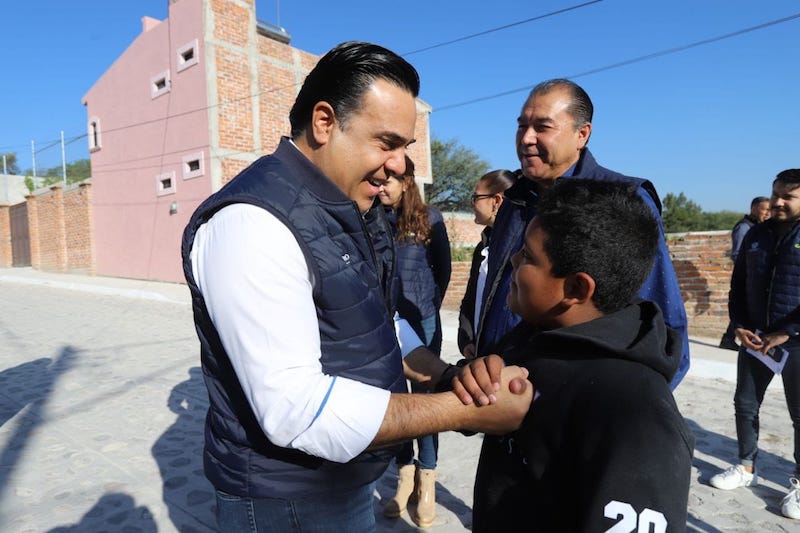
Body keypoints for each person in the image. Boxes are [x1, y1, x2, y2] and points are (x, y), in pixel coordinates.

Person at [180, 41, 532, 532]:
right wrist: (460, 412)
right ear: (324, 122)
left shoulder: (345, 208)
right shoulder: (252, 223)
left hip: (342, 479)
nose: (399, 165)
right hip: (287, 501)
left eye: (405, 148)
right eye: (386, 143)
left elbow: (377, 319)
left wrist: (448, 375)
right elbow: (294, 411)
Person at [449, 179, 694, 532]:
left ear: (576, 288)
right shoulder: (529, 339)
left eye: (529, 256)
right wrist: (475, 377)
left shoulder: (635, 413)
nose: (515, 260)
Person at [475, 78, 691, 390]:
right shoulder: (515, 200)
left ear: (582, 134)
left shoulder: (621, 201)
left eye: (543, 127)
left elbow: (662, 322)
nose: (526, 138)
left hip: (578, 397)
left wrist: (626, 407)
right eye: (522, 126)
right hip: (506, 391)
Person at [709, 169, 800, 520]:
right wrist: (740, 326)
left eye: (787, 197)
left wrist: (789, 332)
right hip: (756, 338)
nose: (777, 202)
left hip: (795, 343)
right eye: (775, 194)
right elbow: (738, 285)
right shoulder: (756, 235)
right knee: (745, 404)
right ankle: (745, 467)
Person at [378, 155, 451, 526]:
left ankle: (427, 482)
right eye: (381, 178)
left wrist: (428, 306)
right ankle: (403, 478)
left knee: (423, 402)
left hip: (422, 320)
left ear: (407, 182)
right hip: (385, 321)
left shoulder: (430, 218)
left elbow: (445, 269)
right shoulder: (373, 219)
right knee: (395, 401)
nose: (383, 184)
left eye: (391, 178)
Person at [457, 169, 517, 359]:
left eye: (476, 197)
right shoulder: (482, 247)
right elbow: (471, 298)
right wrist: (466, 339)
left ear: (496, 201)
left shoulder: (520, 251)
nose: (472, 203)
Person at [718, 196, 771, 350]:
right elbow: (737, 253)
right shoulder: (744, 227)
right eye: (765, 209)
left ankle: (730, 338)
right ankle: (729, 338)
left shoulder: (760, 228)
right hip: (747, 276)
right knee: (742, 307)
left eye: (770, 209)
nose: (768, 213)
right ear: (754, 209)